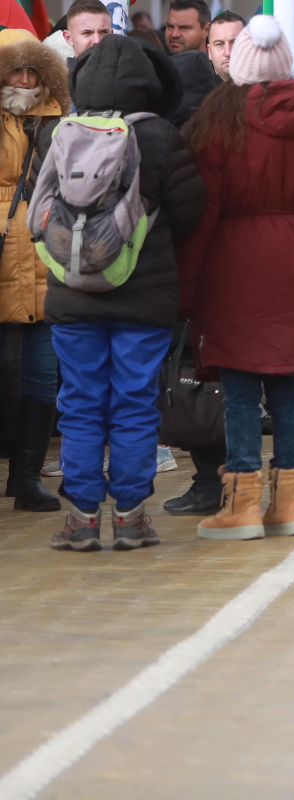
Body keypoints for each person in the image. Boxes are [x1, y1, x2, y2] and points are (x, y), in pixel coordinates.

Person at [178, 17, 294, 539]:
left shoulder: (218, 127)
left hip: (237, 266)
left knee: (243, 390)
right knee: (289, 392)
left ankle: (241, 503)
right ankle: (290, 503)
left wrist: (186, 288)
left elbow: (203, 218)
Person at [46, 34, 205, 552]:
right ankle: (132, 518)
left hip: (72, 298)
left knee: (80, 404)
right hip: (144, 298)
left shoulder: (62, 132)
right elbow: (188, 214)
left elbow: (40, 208)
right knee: (135, 405)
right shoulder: (161, 135)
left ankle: (82, 519)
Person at [0, 30, 68, 515]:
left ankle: (26, 478)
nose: (24, 80)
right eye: (15, 70)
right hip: (3, 259)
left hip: (47, 261)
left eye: (32, 72)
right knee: (5, 375)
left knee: (44, 377)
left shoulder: (61, 122)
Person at [206, 11, 245, 82]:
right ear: (210, 51)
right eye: (219, 44)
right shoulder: (202, 91)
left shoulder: (266, 90)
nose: (228, 53)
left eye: (235, 43)